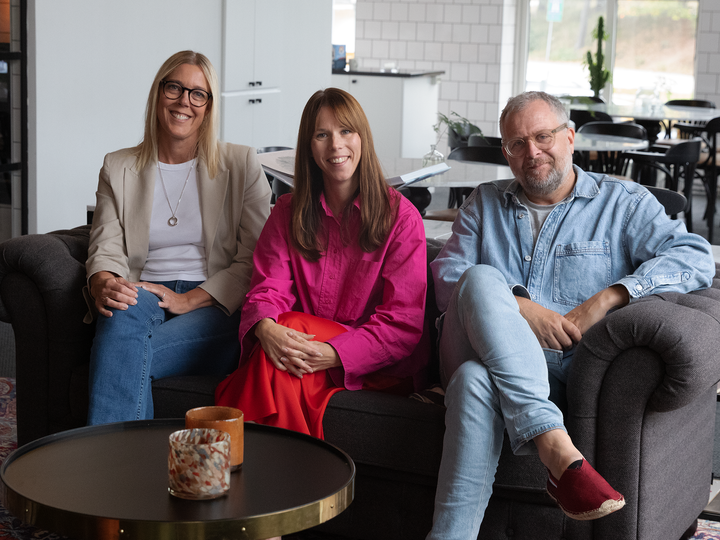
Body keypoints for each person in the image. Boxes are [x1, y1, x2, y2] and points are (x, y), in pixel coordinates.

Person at [427, 91, 716, 538]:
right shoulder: (484, 202)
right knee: (480, 277)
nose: (531, 152)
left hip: (559, 369)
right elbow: (447, 277)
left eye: (543, 137)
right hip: (470, 343)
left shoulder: (621, 203)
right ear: (505, 151)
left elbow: (695, 256)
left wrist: (612, 296)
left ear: (569, 137)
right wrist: (522, 307)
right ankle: (556, 446)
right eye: (516, 143)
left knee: (473, 382)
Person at [215, 87, 428, 440]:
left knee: (289, 333)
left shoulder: (401, 219)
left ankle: (237, 456)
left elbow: (402, 325)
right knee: (282, 341)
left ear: (363, 138)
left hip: (373, 364)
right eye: (322, 134)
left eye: (346, 131)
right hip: (300, 355)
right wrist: (266, 329)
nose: (335, 146)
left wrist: (331, 353)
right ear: (309, 146)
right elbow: (268, 288)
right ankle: (289, 479)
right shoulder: (286, 212)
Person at [85, 50, 271, 425]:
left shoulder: (241, 163)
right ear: (158, 93)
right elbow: (105, 243)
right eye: (175, 88)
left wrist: (188, 300)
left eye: (197, 93)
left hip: (215, 301)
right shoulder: (118, 166)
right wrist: (104, 282)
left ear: (209, 106)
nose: (184, 101)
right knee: (121, 317)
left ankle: (108, 472)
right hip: (145, 290)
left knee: (124, 354)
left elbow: (256, 256)